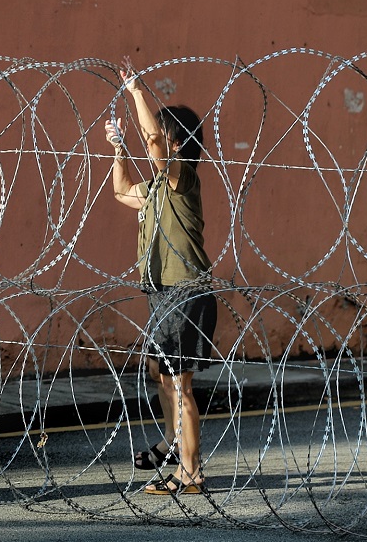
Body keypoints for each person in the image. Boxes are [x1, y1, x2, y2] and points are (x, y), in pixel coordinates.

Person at [104, 57, 217, 495]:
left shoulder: (182, 179)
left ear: (177, 141)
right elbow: (119, 191)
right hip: (161, 291)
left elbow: (152, 142)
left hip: (185, 290)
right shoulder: (154, 188)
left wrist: (134, 89)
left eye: (166, 134)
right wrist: (117, 149)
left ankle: (190, 473)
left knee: (181, 384)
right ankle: (172, 446)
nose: (159, 140)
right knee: (161, 373)